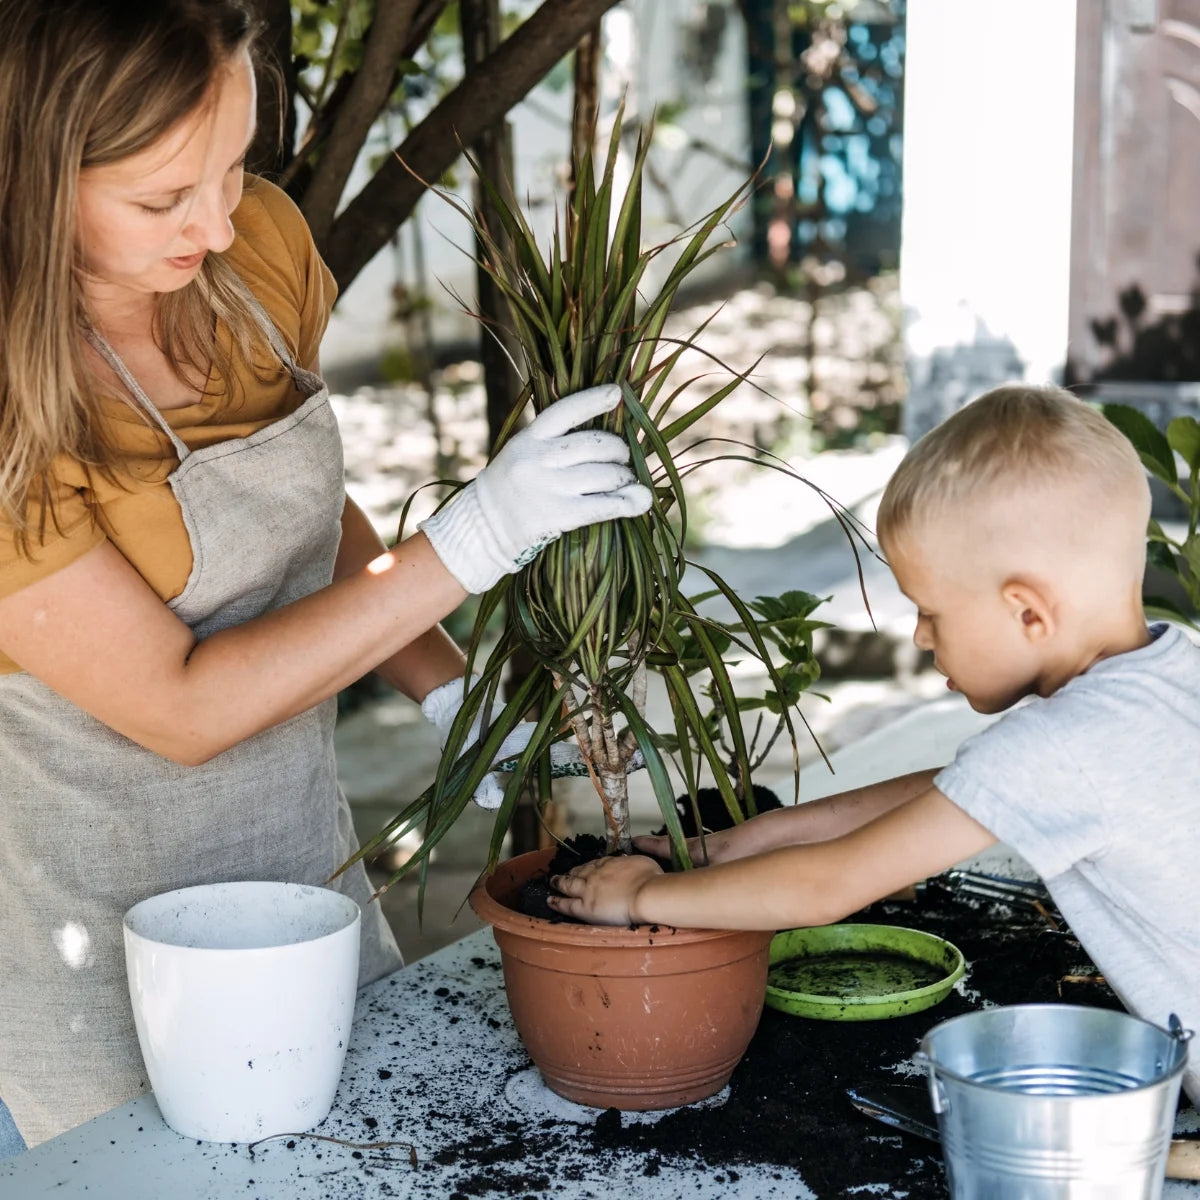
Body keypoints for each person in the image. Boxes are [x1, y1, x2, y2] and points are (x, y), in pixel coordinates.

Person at [0, 0, 651, 1151]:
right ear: (30, 176)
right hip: (100, 932)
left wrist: (450, 689)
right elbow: (184, 707)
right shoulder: (15, 396)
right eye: (160, 199)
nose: (213, 221)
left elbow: (295, 514)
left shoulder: (258, 249)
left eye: (235, 166)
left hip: (306, 869)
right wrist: (476, 538)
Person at [550, 383, 1200, 1107]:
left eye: (930, 611)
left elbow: (828, 886)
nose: (921, 637)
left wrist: (644, 897)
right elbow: (954, 790)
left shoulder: (1062, 748)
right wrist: (750, 841)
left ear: (1027, 611)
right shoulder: (1169, 673)